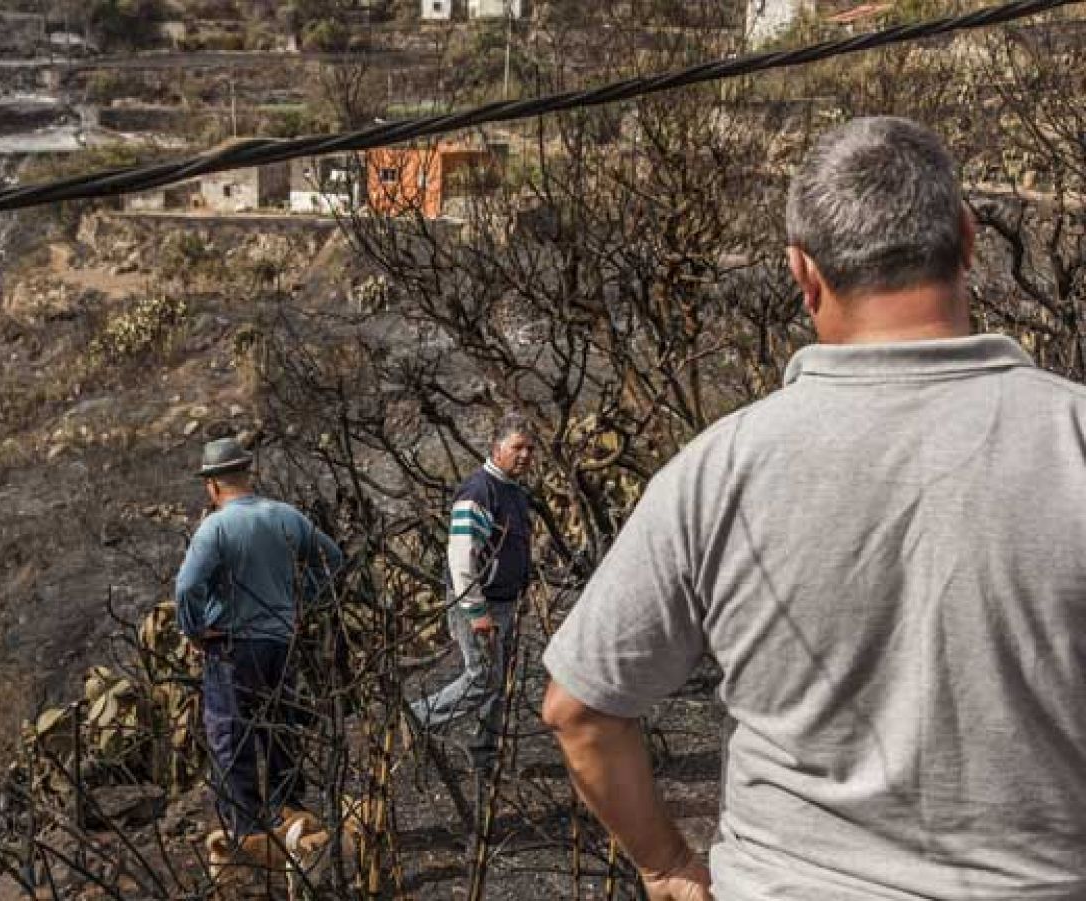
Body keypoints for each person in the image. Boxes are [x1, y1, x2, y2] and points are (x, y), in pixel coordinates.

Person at [541, 115, 1086, 901]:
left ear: (803, 273)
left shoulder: (720, 467)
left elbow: (579, 710)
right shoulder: (1072, 437)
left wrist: (665, 863)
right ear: (970, 240)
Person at [176, 436, 343, 846]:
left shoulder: (215, 527)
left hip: (232, 647)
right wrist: (303, 599)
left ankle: (248, 833)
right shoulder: (287, 516)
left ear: (212, 485)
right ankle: (295, 819)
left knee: (231, 735)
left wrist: (195, 630)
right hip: (282, 643)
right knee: (280, 726)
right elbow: (334, 560)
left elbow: (186, 587)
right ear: (247, 474)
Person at [411, 416, 535, 781]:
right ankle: (417, 717)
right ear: (497, 449)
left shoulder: (512, 490)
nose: (526, 455)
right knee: (483, 678)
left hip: (505, 600)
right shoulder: (479, 491)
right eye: (518, 447)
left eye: (530, 448)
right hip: (480, 602)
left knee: (498, 681)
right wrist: (476, 610)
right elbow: (462, 556)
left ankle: (485, 758)